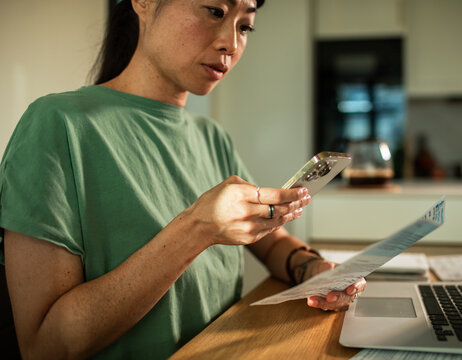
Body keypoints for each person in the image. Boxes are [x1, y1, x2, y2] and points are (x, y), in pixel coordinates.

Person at [0, 0, 366, 359]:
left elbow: (270, 243)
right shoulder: (56, 124)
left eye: (245, 26)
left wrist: (315, 269)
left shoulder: (212, 137)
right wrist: (196, 229)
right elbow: (45, 346)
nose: (232, 43)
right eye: (215, 12)